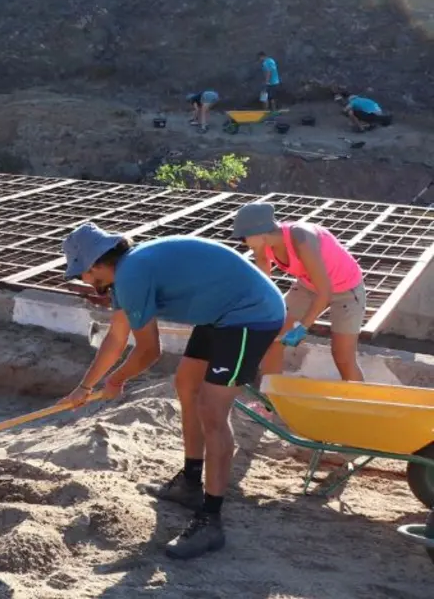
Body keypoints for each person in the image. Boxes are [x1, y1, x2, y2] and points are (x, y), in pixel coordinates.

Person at [59, 223, 285, 560]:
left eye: (83, 275)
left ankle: (210, 521)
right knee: (186, 384)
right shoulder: (126, 275)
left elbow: (149, 352)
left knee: (212, 410)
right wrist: (85, 387)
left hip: (250, 315)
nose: (85, 282)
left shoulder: (132, 275)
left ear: (95, 266)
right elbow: (116, 338)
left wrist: (116, 381)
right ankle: (191, 482)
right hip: (220, 313)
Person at [231, 202, 366, 381]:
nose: (243, 243)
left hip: (346, 290)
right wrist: (263, 307)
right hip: (307, 285)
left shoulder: (301, 238)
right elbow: (264, 269)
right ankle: (269, 406)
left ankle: (358, 406)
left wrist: (302, 328)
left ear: (260, 232)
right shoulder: (261, 244)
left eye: (243, 238)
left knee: (343, 357)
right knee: (273, 341)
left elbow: (325, 292)